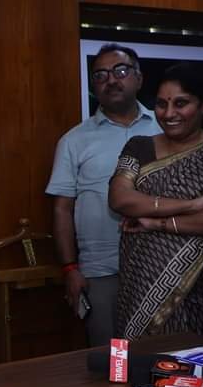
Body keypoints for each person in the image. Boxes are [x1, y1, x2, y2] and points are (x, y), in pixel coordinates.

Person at [109, 64, 203, 338]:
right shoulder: (139, 146)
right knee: (135, 360)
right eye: (161, 104)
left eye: (181, 103)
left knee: (197, 360)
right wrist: (192, 206)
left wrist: (157, 222)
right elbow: (120, 198)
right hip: (138, 285)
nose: (168, 113)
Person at [47, 44, 161, 347]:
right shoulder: (74, 140)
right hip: (101, 271)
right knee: (111, 358)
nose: (111, 80)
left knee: (164, 354)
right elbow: (61, 209)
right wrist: (70, 268)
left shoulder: (165, 129)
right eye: (100, 75)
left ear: (139, 78)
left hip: (161, 263)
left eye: (120, 71)